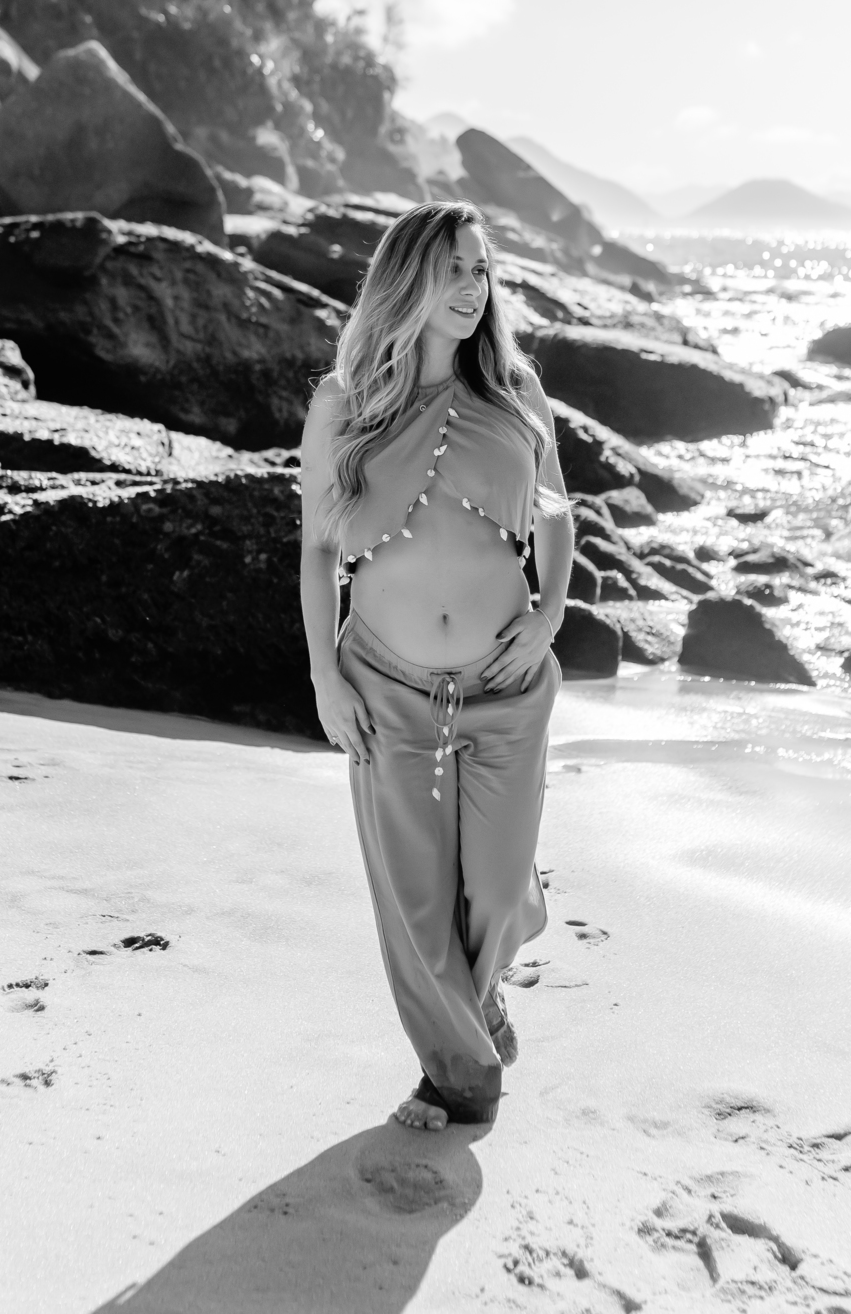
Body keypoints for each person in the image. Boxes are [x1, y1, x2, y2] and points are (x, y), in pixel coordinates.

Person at [299, 201, 573, 1130]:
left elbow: (557, 515)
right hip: (384, 685)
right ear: (406, 279)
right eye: (452, 269)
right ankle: (458, 1076)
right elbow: (315, 551)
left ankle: (486, 984)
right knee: (419, 907)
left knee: (493, 894)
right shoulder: (345, 403)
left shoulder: (515, 391)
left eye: (481, 271)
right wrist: (323, 678)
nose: (470, 289)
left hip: (506, 685)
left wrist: (550, 613)